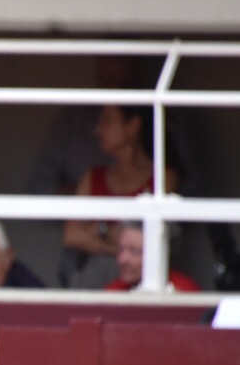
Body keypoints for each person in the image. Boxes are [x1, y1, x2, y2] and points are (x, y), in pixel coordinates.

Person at [62, 102, 179, 289]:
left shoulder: (162, 177)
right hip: (92, 283)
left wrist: (99, 229)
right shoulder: (93, 176)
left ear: (132, 126)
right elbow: (71, 235)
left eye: (107, 121)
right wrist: (120, 248)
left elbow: (151, 239)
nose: (98, 129)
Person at [104, 222, 200, 293]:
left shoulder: (185, 292)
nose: (122, 259)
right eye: (120, 250)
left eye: (134, 251)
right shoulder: (114, 291)